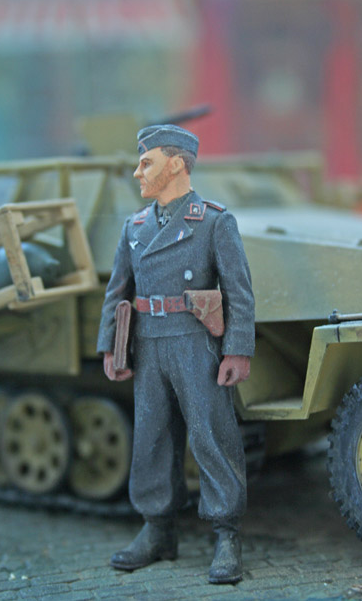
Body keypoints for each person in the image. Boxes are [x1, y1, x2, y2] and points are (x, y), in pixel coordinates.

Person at [97, 124, 255, 584]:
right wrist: (110, 345)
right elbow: (116, 291)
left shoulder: (214, 222)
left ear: (177, 164)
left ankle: (226, 533)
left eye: (146, 163)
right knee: (152, 437)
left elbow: (239, 293)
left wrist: (237, 351)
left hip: (195, 341)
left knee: (212, 433)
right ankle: (157, 529)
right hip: (148, 344)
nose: (137, 172)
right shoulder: (135, 227)